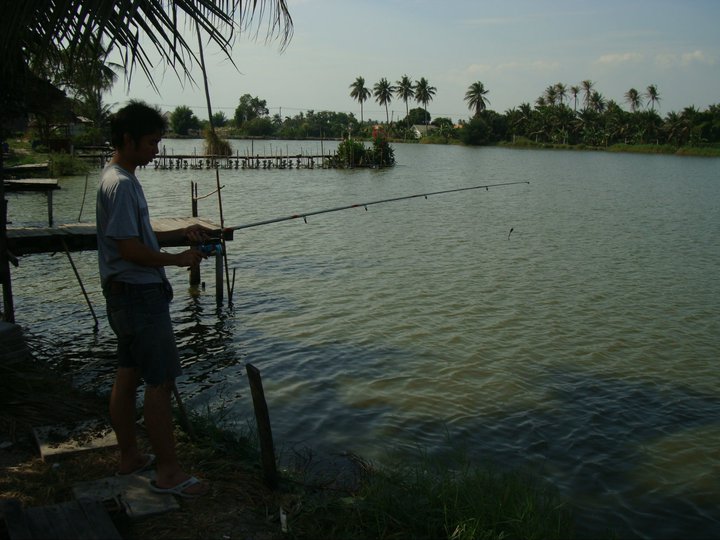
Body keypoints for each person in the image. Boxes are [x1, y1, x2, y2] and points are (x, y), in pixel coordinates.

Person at [97, 101, 210, 497]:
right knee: (159, 382)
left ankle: (130, 456)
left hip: (121, 297)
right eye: (150, 142)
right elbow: (129, 249)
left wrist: (182, 233)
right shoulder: (124, 184)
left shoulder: (113, 177)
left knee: (127, 376)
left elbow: (135, 239)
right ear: (127, 140)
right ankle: (168, 473)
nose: (156, 150)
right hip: (140, 296)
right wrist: (177, 260)